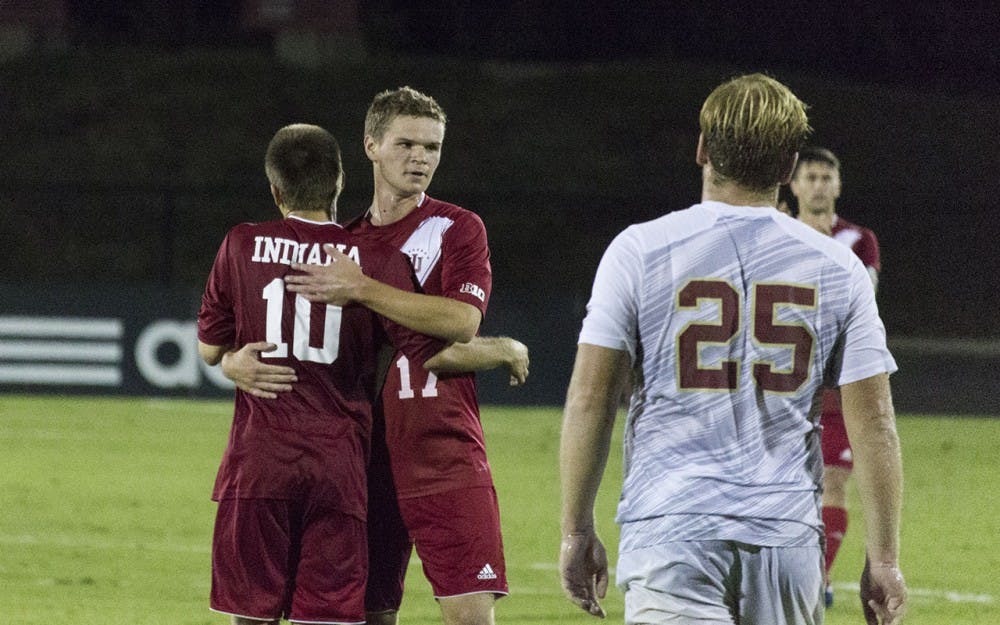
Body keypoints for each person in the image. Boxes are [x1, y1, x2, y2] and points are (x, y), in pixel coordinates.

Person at [559, 73, 907, 625]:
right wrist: (883, 557)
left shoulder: (639, 249)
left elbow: (590, 399)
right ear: (790, 165)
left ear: (702, 149)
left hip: (672, 525)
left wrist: (577, 528)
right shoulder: (839, 267)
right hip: (787, 535)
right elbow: (877, 422)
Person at [223, 87, 523, 625]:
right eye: (406, 144)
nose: (420, 159)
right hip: (363, 465)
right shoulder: (343, 246)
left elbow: (460, 322)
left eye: (432, 147)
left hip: (444, 455)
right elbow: (296, 345)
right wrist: (231, 364)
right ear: (371, 147)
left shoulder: (456, 228)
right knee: (369, 615)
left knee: (471, 616)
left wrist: (364, 290)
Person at [197, 124, 442, 624]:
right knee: (327, 616)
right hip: (339, 465)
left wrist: (229, 363)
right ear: (340, 182)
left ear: (275, 189)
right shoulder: (374, 260)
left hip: (258, 462)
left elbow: (208, 350)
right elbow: (420, 350)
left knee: (250, 614)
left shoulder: (241, 244)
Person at [790, 146, 882, 607]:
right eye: (811, 176)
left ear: (838, 185)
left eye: (827, 177)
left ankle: (818, 580)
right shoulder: (778, 232)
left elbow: (860, 305)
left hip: (836, 382)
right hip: (784, 378)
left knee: (832, 478)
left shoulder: (858, 240)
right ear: (794, 184)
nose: (819, 185)